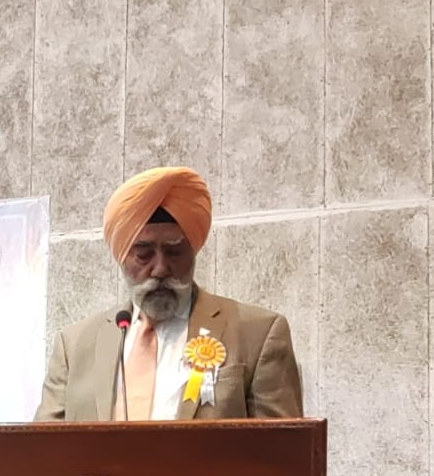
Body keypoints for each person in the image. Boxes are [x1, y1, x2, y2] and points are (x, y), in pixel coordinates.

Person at [35, 166, 304, 422]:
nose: (161, 269)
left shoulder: (257, 333)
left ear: (193, 252)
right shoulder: (75, 346)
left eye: (175, 252)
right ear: (121, 256)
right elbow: (43, 446)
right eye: (144, 254)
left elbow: (284, 448)